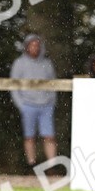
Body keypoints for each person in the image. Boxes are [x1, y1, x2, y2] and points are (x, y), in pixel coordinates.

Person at [10, 34, 57, 166]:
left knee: (49, 136)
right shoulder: (19, 63)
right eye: (32, 45)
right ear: (27, 47)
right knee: (29, 137)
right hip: (28, 105)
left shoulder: (47, 64)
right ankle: (32, 165)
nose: (35, 48)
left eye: (37, 45)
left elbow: (53, 84)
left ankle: (52, 165)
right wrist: (21, 105)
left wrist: (52, 102)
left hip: (46, 105)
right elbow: (13, 86)